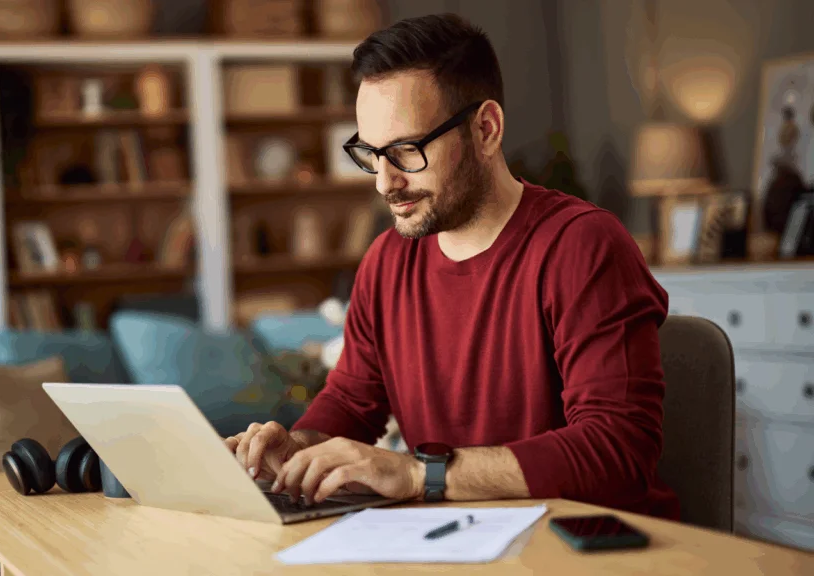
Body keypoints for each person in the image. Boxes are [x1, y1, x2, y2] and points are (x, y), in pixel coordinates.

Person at [224, 13, 679, 520]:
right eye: (371, 154)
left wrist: (420, 474)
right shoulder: (386, 262)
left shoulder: (582, 246)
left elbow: (618, 451)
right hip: (455, 541)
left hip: (591, 547)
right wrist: (299, 447)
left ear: (485, 129)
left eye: (405, 150)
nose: (384, 182)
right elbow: (353, 404)